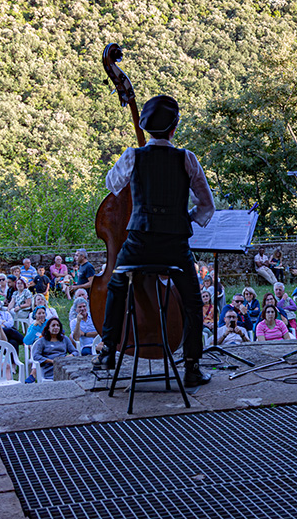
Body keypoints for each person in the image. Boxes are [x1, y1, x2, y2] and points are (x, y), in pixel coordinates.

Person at [97, 95, 214, 387]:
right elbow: (206, 204)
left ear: (147, 128)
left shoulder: (133, 156)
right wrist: (185, 217)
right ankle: (191, 367)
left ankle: (109, 352)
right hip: (175, 244)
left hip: (139, 242)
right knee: (193, 301)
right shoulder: (186, 158)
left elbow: (112, 184)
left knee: (116, 284)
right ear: (174, 128)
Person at [29, 318, 78, 382]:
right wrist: (51, 361)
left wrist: (69, 356)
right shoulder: (42, 341)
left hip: (64, 366)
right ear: (48, 328)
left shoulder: (64, 339)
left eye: (58, 325)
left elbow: (75, 352)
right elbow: (36, 356)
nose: (56, 327)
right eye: (53, 325)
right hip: (50, 368)